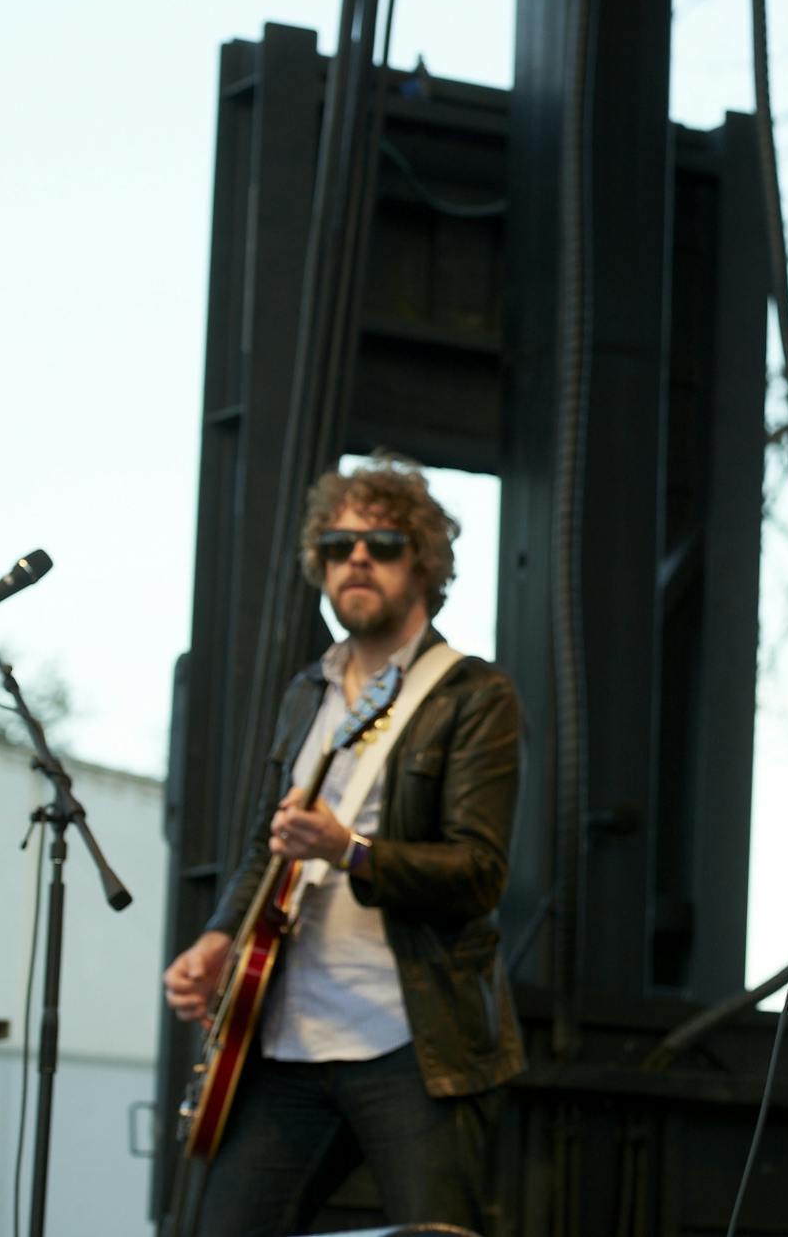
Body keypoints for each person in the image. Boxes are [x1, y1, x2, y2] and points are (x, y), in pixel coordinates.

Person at [163, 454, 524, 1236]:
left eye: (383, 542)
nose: (355, 558)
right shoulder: (309, 692)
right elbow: (273, 841)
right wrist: (220, 937)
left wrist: (350, 850)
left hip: (411, 1040)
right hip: (287, 1038)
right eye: (337, 544)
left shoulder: (473, 694)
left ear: (425, 563)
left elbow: (479, 873)